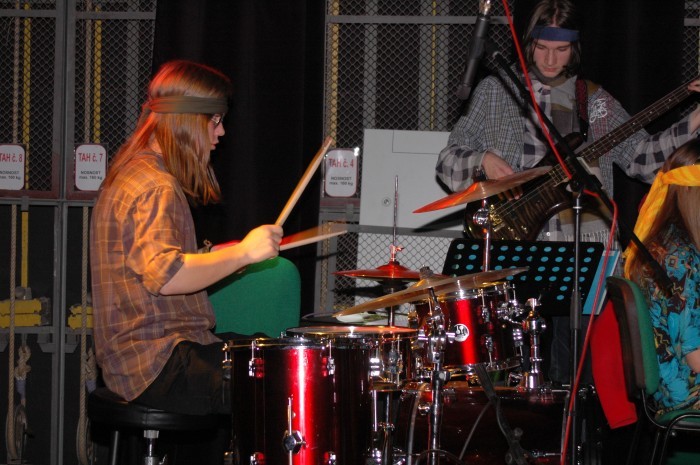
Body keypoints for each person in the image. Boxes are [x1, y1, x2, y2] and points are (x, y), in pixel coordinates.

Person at [435, 0, 700, 383]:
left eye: (560, 50)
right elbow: (447, 161)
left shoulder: (594, 101)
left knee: (574, 374)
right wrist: (482, 160)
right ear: (529, 44)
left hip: (580, 252)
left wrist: (693, 120)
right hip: (512, 245)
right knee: (514, 368)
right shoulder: (495, 92)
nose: (550, 59)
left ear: (574, 48)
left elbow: (643, 160)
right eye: (542, 47)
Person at [90, 60, 283, 418]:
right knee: (283, 379)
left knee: (272, 352)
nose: (221, 132)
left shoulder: (134, 171)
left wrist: (215, 256)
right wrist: (244, 252)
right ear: (188, 119)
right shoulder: (156, 186)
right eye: (215, 120)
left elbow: (153, 264)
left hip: (146, 358)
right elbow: (168, 276)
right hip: (157, 363)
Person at [624, 140, 700, 415]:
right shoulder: (682, 262)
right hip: (688, 391)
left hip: (670, 387)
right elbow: (696, 358)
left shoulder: (662, 243)